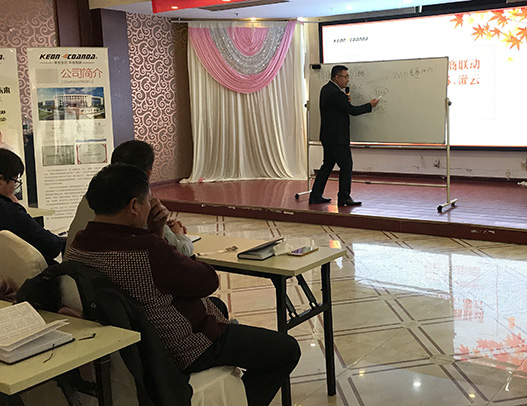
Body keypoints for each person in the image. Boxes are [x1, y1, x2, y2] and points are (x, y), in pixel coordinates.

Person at [67, 164, 301, 406]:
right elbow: (206, 281)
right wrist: (159, 234)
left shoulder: (78, 246)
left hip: (138, 343)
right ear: (134, 206)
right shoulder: (146, 250)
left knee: (217, 306)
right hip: (180, 348)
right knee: (286, 350)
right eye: (148, 201)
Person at [66, 140, 193, 258]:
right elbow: (179, 253)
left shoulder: (92, 195)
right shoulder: (140, 205)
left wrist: (162, 229)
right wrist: (178, 234)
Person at [309, 65, 379, 206]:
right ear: (337, 77)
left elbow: (340, 109)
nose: (347, 80)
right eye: (345, 76)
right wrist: (369, 105)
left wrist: (345, 102)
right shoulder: (336, 94)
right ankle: (343, 198)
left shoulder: (326, 89)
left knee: (327, 166)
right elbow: (352, 111)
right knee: (346, 165)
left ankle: (315, 195)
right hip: (337, 138)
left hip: (328, 136)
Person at [0, 148, 63, 264]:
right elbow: (51, 246)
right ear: (1, 180)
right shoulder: (9, 212)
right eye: (15, 181)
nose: (14, 188)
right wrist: (17, 209)